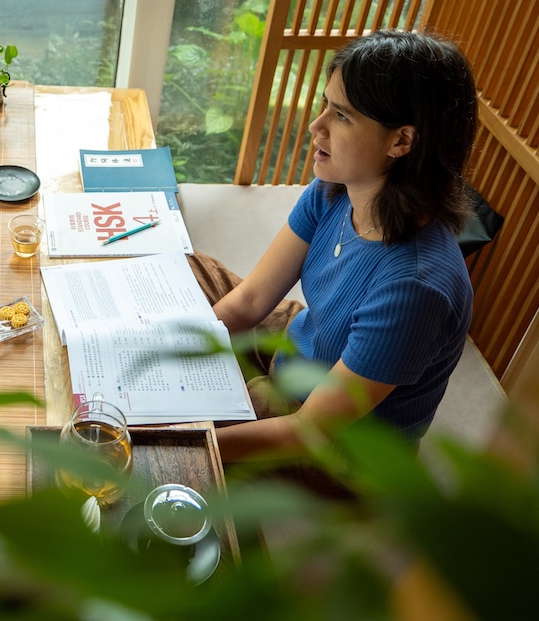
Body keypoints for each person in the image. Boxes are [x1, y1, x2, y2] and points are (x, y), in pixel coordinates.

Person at [199, 29, 478, 466]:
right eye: (325, 104)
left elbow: (306, 433)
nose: (317, 125)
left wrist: (176, 440)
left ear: (401, 141)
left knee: (180, 436)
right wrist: (167, 349)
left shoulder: (416, 287)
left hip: (338, 447)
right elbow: (251, 300)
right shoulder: (334, 190)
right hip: (303, 347)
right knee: (194, 270)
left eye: (342, 116)